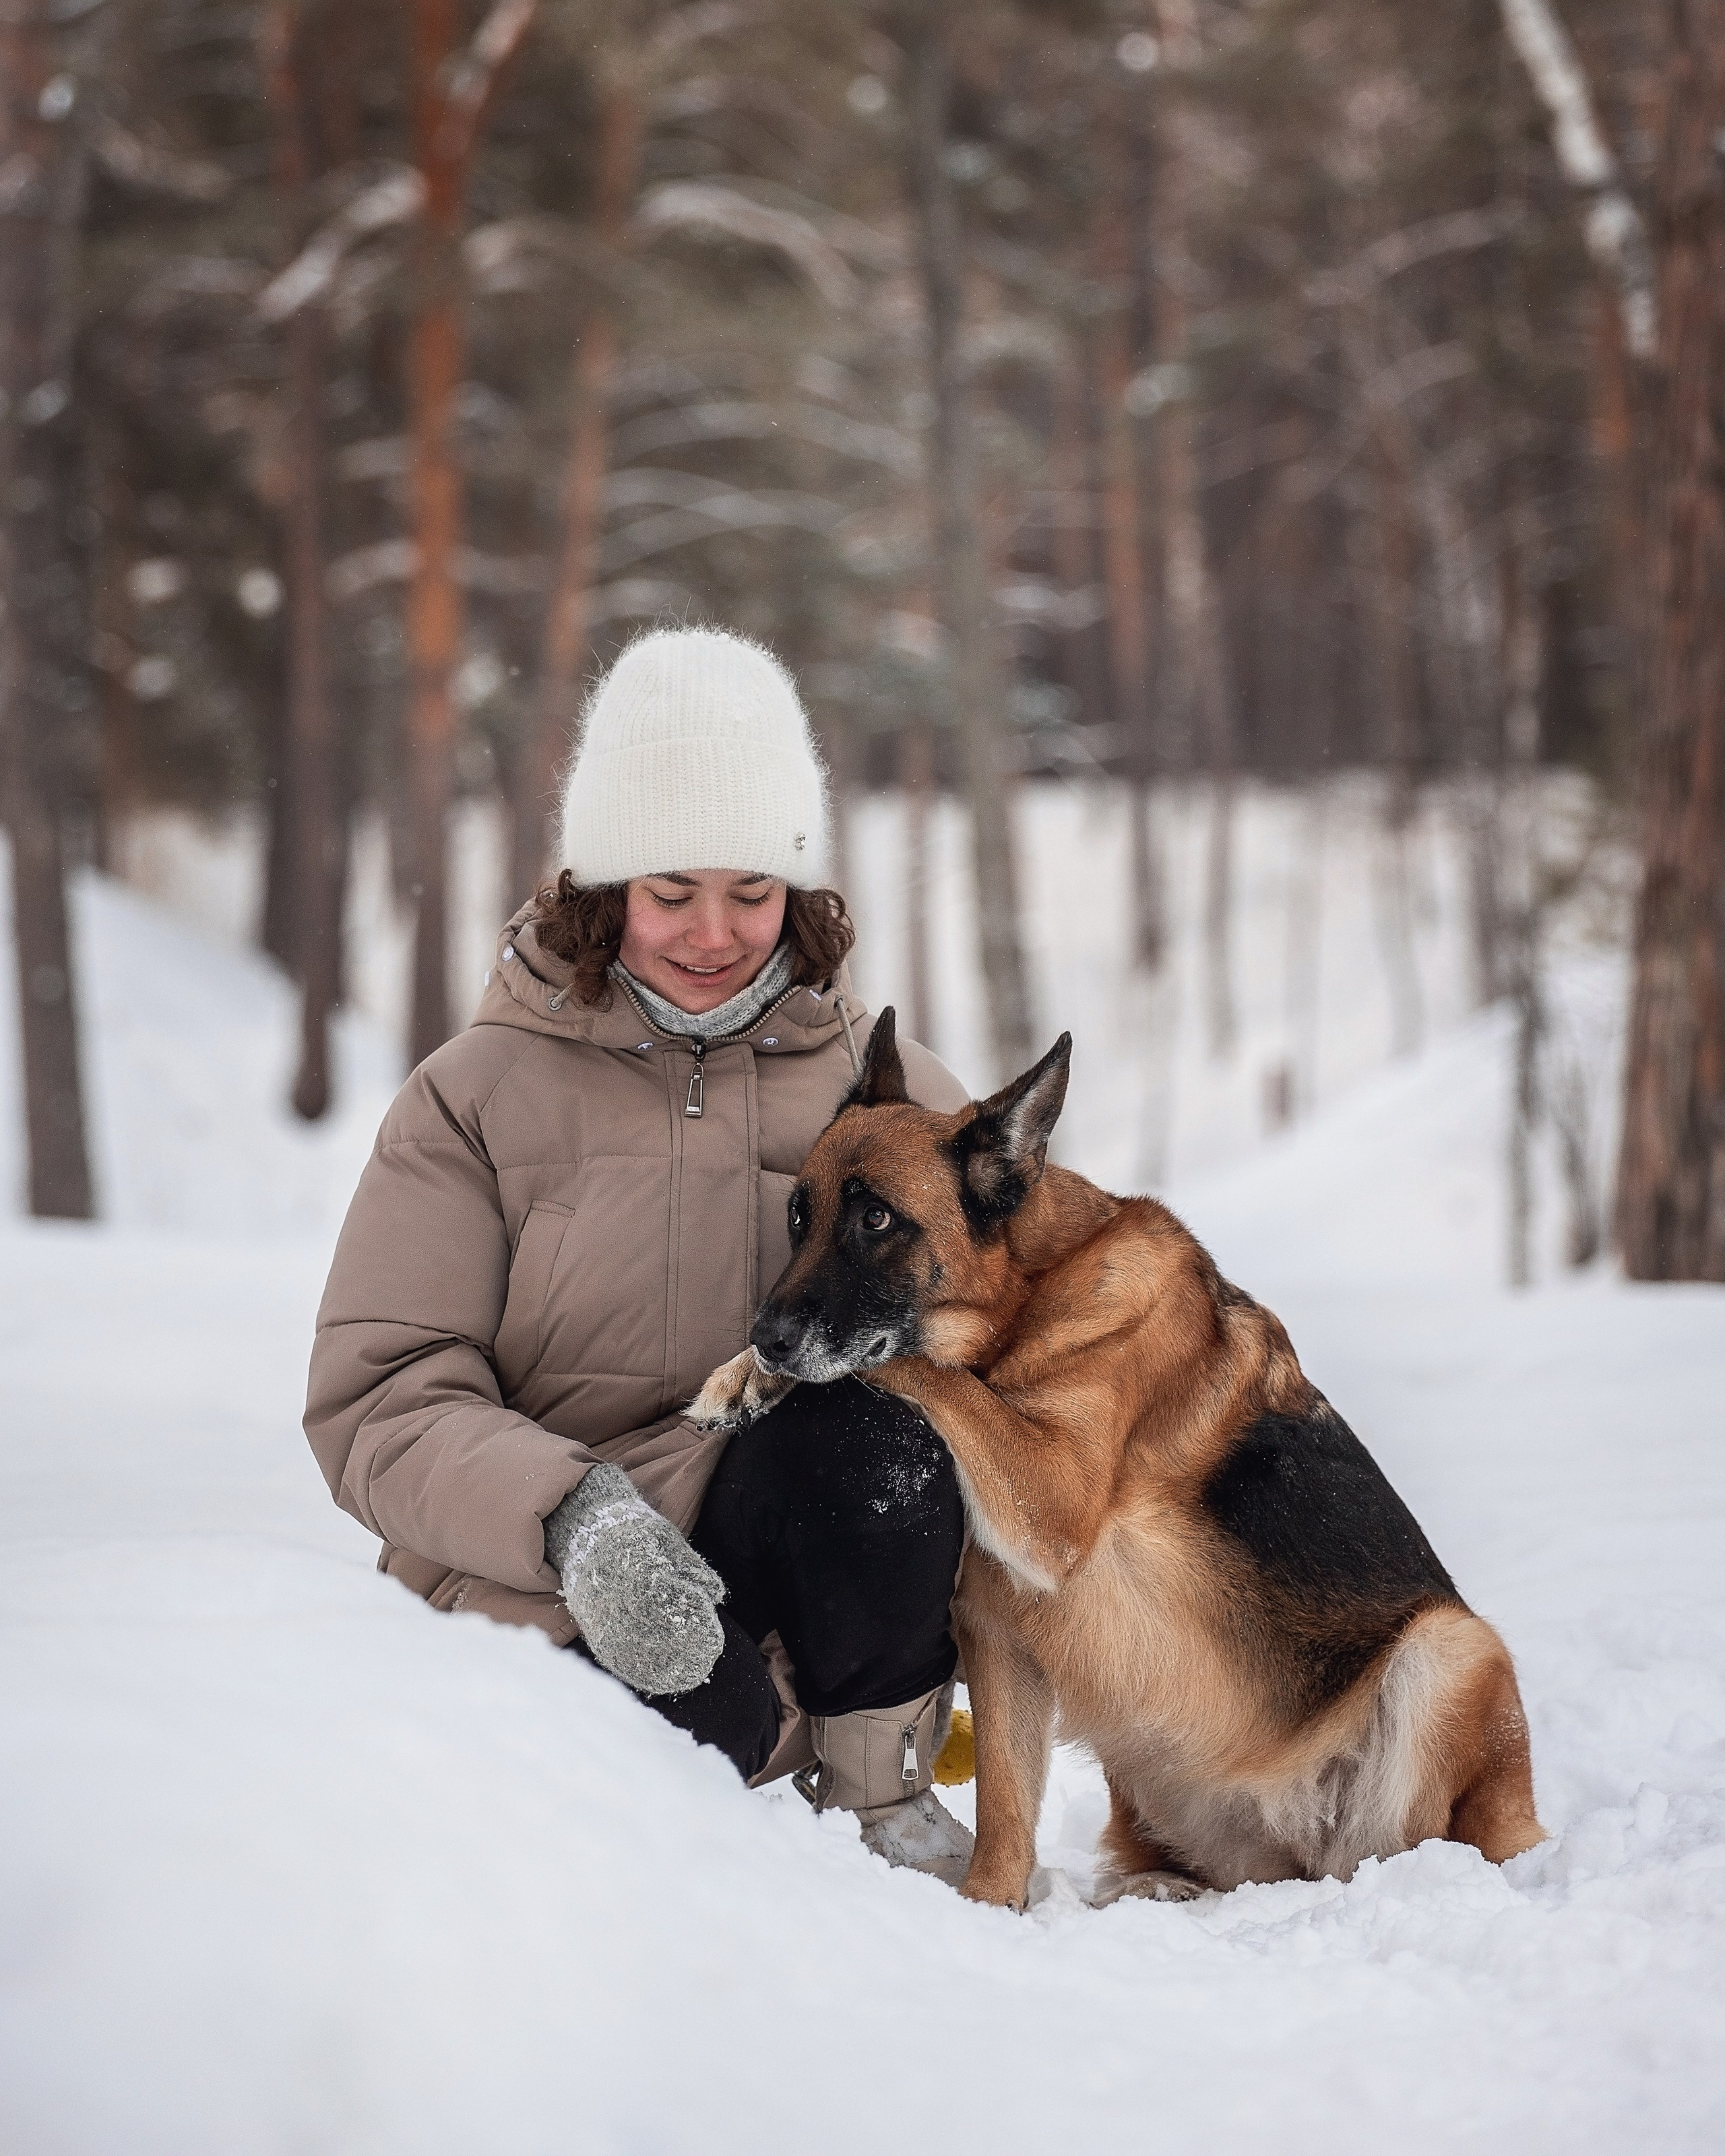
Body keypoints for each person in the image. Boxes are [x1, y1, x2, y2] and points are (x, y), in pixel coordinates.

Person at [305, 627, 976, 1878]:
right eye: (671, 891)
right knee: (677, 1754)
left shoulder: (884, 1097)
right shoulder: (476, 1097)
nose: (715, 933)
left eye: (752, 890)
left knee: (879, 1436)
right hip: (540, 1580)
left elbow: (1023, 1327)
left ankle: (881, 1794)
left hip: (783, 1541)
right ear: (604, 885)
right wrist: (577, 1522)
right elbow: (379, 1398)